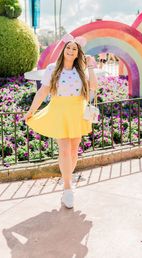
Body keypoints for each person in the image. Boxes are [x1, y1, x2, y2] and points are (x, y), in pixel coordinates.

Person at [24, 34, 98, 209]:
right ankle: (67, 189)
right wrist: (31, 110)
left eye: (75, 49)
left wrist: (91, 67)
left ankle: (68, 180)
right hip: (60, 111)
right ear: (64, 50)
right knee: (64, 150)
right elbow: (42, 92)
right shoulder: (53, 68)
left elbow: (93, 87)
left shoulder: (81, 69)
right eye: (68, 48)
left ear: (78, 52)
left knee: (73, 150)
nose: (71, 51)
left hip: (77, 112)